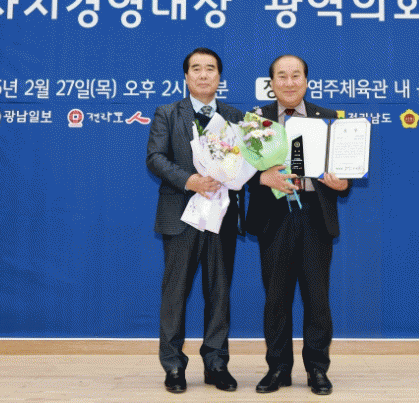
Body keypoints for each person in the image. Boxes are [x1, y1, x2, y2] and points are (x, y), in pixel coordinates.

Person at [246, 54, 351, 396]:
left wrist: (342, 183)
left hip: (315, 216)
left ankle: (317, 369)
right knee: (276, 298)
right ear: (271, 83)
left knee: (317, 298)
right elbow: (238, 173)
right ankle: (278, 368)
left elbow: (344, 170)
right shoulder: (256, 120)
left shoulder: (329, 118)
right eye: (282, 76)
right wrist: (262, 177)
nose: (289, 82)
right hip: (274, 217)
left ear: (306, 81)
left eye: (296, 75)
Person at [146, 47, 243, 393]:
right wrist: (191, 181)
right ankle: (173, 365)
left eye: (210, 68)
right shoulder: (168, 113)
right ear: (186, 77)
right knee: (175, 293)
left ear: (219, 77)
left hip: (221, 217)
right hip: (181, 215)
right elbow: (155, 158)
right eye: (196, 69)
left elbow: (244, 163)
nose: (204, 75)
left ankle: (216, 363)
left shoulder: (235, 117)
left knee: (219, 292)